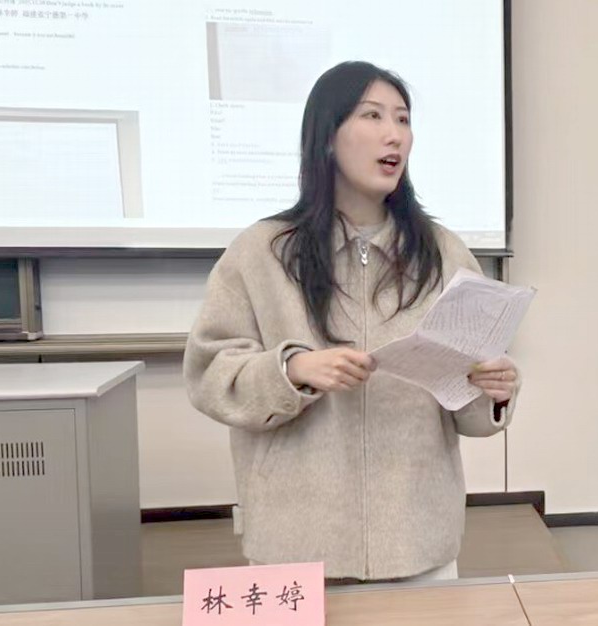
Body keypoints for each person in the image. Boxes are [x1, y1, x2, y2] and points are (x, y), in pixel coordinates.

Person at [183, 61, 519, 582]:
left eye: (403, 119)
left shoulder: (443, 254)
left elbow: (469, 413)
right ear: (327, 136)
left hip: (418, 542)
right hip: (293, 545)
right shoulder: (261, 252)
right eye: (373, 115)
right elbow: (210, 374)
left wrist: (493, 388)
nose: (395, 134)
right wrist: (292, 370)